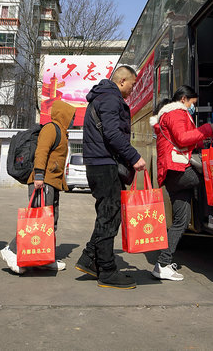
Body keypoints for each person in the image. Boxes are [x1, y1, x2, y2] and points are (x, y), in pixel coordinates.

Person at [75, 66, 147, 289]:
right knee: (109, 215)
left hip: (100, 163)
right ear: (123, 80)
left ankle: (90, 259)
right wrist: (134, 157)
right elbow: (112, 133)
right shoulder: (110, 99)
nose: (133, 90)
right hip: (104, 164)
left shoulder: (104, 97)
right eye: (132, 85)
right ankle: (106, 271)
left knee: (108, 215)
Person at [0, 100, 76, 274]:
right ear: (63, 114)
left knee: (49, 221)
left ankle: (44, 257)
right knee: (36, 221)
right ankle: (11, 250)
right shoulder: (51, 128)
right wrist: (39, 174)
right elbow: (41, 151)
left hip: (53, 182)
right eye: (70, 116)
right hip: (43, 181)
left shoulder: (63, 132)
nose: (72, 120)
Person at [150, 86, 213, 281]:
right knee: (208, 178)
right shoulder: (176, 112)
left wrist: (198, 141)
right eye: (192, 104)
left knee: (181, 220)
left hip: (171, 172)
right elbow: (181, 138)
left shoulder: (170, 114)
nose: (192, 108)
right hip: (177, 169)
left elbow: (183, 139)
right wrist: (206, 130)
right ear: (184, 99)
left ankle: (162, 264)